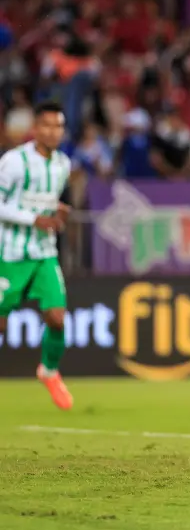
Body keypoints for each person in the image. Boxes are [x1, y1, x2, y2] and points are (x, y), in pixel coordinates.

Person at [0, 101, 72, 409]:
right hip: (11, 253)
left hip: (44, 252)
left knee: (57, 318)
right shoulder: (15, 161)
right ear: (35, 129)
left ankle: (49, 370)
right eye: (47, 126)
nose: (53, 132)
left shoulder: (63, 164)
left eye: (58, 126)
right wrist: (34, 219)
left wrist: (55, 211)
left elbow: (44, 200)